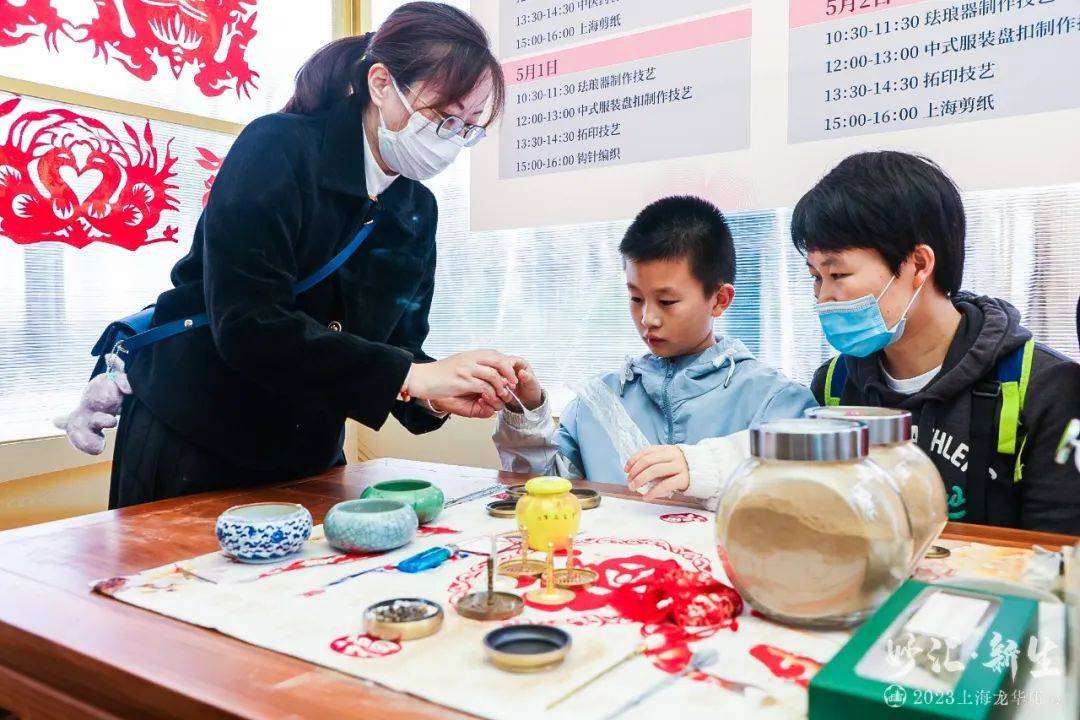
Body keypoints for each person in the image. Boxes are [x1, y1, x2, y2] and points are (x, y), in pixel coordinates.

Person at [75, 3, 524, 508]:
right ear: (381, 84)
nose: (452, 141)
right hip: (196, 437)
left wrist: (434, 394)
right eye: (444, 117)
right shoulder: (277, 148)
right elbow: (249, 324)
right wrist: (410, 376)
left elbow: (396, 347)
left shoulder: (416, 208)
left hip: (307, 452)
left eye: (468, 129)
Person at [795, 151, 1080, 533]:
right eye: (815, 277)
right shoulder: (834, 385)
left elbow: (1055, 552)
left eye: (838, 274)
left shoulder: (1042, 388)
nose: (823, 297)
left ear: (918, 264)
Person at [493, 196, 817, 503]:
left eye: (667, 301)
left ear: (720, 300)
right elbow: (543, 493)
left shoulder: (775, 402)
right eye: (636, 298)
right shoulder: (597, 403)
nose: (648, 318)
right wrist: (526, 413)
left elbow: (796, 506)